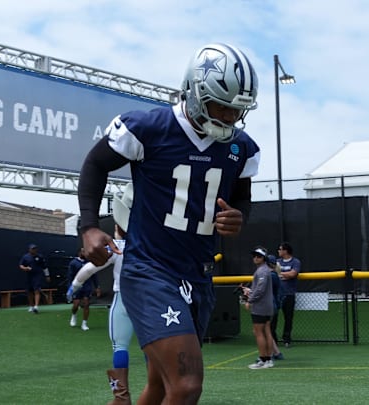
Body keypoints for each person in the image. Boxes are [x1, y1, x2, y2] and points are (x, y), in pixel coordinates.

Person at [78, 43, 260, 404]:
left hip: (198, 273)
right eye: (221, 106)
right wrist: (88, 225)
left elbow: (241, 198)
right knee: (187, 385)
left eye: (237, 110)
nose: (228, 117)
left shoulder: (242, 148)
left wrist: (239, 217)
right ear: (194, 92)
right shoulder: (148, 127)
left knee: (161, 386)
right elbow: (95, 164)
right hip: (151, 269)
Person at [68, 184, 135, 404]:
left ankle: (121, 397)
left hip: (124, 299)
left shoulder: (116, 246)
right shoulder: (152, 245)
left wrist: (74, 287)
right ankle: (159, 390)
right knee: (152, 347)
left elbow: (89, 268)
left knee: (120, 346)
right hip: (150, 300)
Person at [241, 247, 274, 369]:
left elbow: (260, 290)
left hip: (261, 306)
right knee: (266, 331)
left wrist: (250, 300)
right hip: (266, 305)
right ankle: (268, 359)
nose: (255, 258)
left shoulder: (262, 271)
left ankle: (264, 359)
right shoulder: (264, 271)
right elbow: (260, 289)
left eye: (258, 256)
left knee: (259, 332)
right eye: (254, 256)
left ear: (263, 258)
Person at [274, 242, 301, 347]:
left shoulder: (295, 261)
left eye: (280, 249)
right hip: (277, 294)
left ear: (285, 251)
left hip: (289, 293)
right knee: (274, 317)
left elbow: (293, 274)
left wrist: (281, 274)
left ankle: (286, 339)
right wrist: (286, 275)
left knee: (288, 318)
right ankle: (273, 339)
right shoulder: (277, 262)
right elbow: (274, 273)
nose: (279, 251)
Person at [67, 248, 100, 330]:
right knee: (76, 304)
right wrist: (70, 288)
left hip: (87, 286)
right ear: (79, 253)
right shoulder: (73, 263)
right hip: (77, 286)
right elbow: (70, 276)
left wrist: (97, 287)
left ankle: (84, 323)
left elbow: (94, 276)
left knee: (86, 304)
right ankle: (74, 315)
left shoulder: (90, 263)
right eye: (83, 251)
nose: (85, 253)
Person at [18, 243, 50, 314]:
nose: (34, 250)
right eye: (33, 249)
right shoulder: (25, 257)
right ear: (29, 249)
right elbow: (21, 265)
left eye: (35, 249)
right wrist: (26, 268)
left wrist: (47, 276)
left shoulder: (40, 257)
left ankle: (36, 306)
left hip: (37, 276)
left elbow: (44, 267)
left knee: (37, 290)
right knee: (29, 291)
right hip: (29, 276)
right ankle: (31, 306)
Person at [266, 254, 284, 361]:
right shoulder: (272, 275)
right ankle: (276, 352)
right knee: (267, 330)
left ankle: (270, 354)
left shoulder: (271, 276)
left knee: (265, 330)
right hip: (272, 305)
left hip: (270, 306)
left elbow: (262, 290)